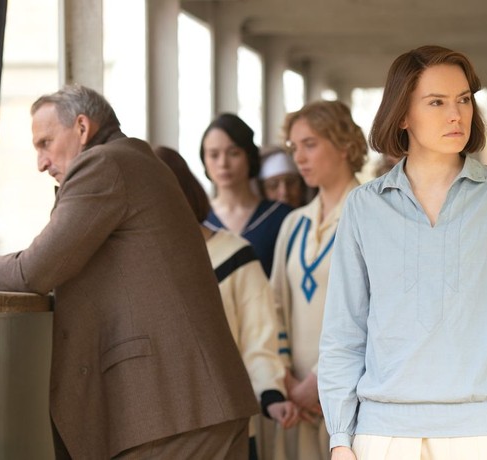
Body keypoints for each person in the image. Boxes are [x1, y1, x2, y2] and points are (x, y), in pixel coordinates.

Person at [317, 45, 487, 460]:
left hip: (485, 436)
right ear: (402, 115)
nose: (457, 114)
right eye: (437, 102)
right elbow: (344, 334)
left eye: (464, 100)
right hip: (382, 435)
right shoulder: (363, 206)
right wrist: (341, 437)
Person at [0, 84, 258, 459]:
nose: (41, 162)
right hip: (191, 406)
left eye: (45, 143)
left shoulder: (104, 164)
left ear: (82, 128)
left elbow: (34, 270)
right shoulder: (138, 160)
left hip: (169, 414)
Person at [153, 145, 300, 459]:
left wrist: (271, 394)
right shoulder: (135, 265)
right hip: (159, 430)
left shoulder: (235, 254)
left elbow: (258, 339)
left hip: (226, 424)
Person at [270, 100, 368, 460]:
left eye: (310, 144)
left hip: (352, 397)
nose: (299, 157)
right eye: (295, 147)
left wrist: (322, 380)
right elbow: (274, 306)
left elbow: (375, 312)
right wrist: (286, 380)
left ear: (344, 144)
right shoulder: (294, 224)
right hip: (296, 403)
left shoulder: (373, 216)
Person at [200, 114, 292, 277]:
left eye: (233, 153)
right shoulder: (198, 219)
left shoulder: (282, 217)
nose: (223, 164)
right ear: (204, 160)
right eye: (214, 155)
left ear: (249, 155)